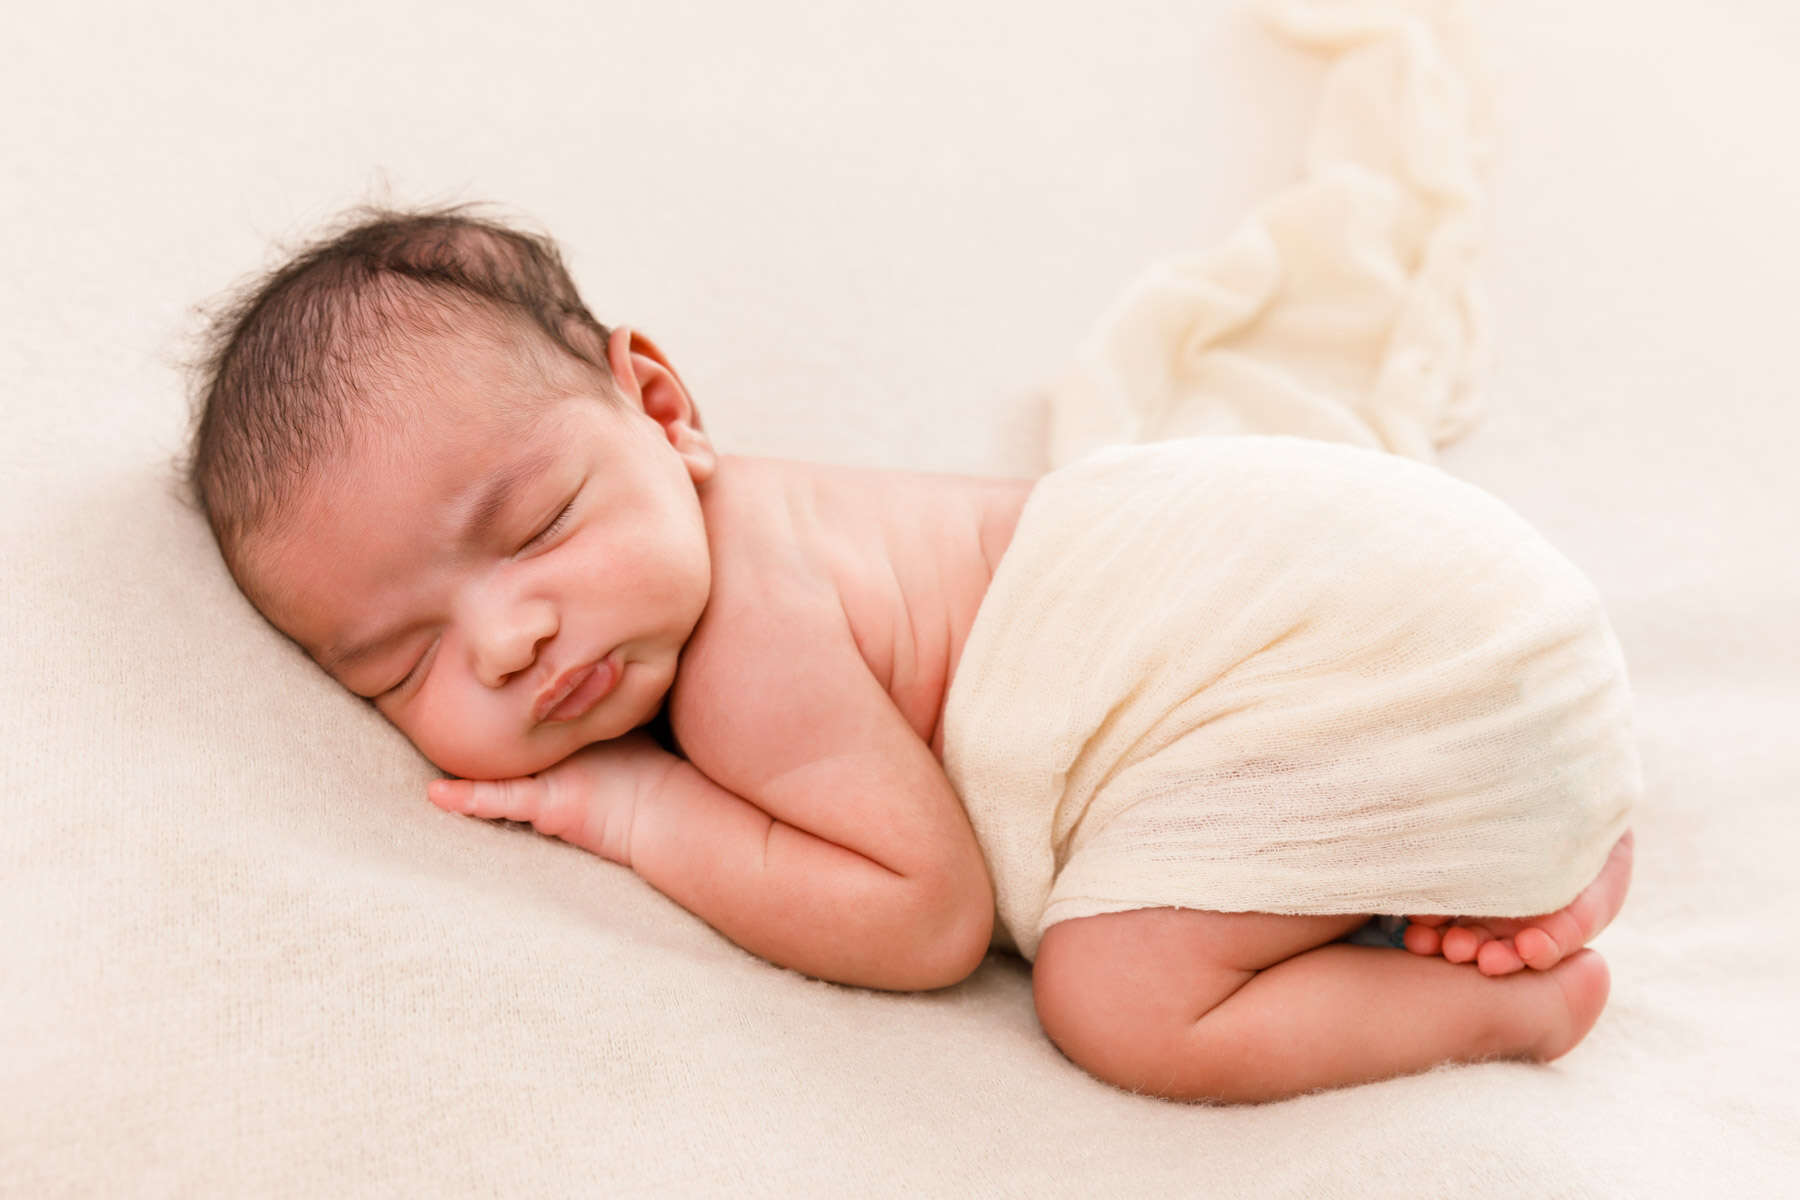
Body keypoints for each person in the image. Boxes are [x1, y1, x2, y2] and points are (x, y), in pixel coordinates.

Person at [186, 206, 1634, 1104]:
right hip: (1459, 622)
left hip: (1366, 644)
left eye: (540, 522)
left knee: (1118, 1000)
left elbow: (921, 913)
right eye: (398, 665)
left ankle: (1511, 1003)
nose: (506, 639)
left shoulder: (749, 633)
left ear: (666, 409)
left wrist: (635, 807)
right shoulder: (752, 538)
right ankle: (1538, 828)